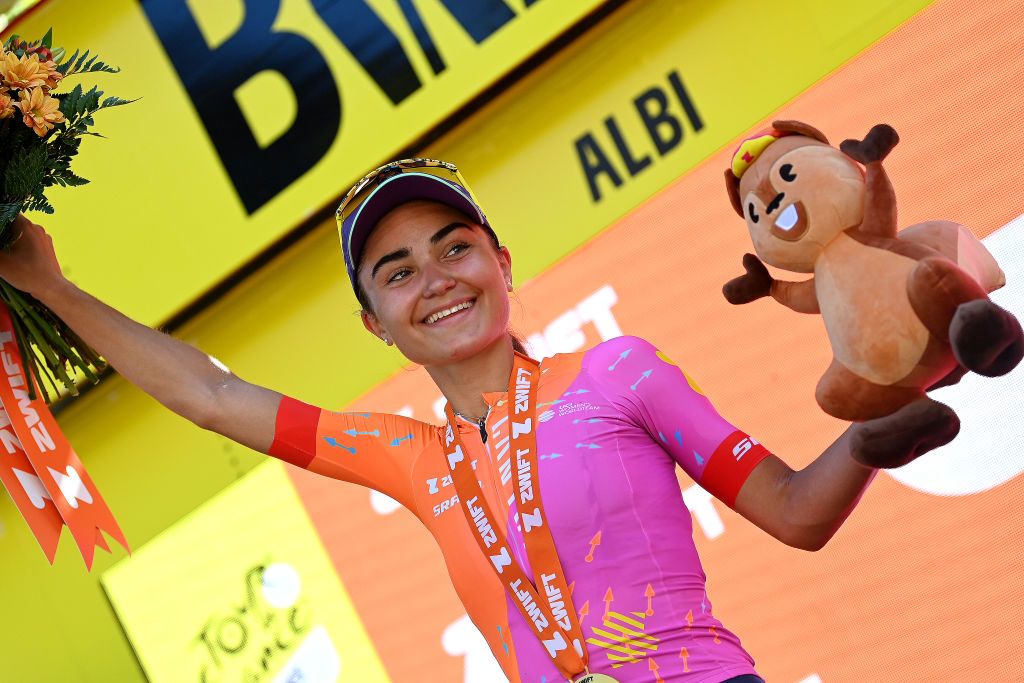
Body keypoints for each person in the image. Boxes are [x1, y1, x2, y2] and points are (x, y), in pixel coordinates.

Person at [0, 158, 953, 683]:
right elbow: (209, 395)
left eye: (454, 247)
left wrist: (875, 431)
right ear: (376, 323)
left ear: (500, 261)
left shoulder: (619, 373)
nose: (438, 278)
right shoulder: (407, 457)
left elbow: (794, 511)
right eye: (399, 270)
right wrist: (50, 286)